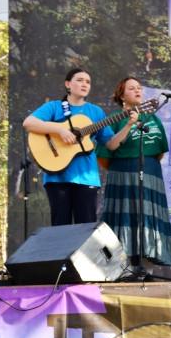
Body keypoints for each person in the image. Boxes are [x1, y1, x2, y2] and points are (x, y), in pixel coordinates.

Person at [97, 77, 171, 267]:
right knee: (125, 218)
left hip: (150, 176)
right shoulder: (114, 119)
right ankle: (123, 267)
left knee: (147, 218)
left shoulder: (152, 118)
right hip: (123, 176)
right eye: (132, 88)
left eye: (139, 88)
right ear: (122, 96)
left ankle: (146, 268)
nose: (138, 91)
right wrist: (129, 125)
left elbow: (159, 152)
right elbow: (108, 150)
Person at [23, 67, 115, 226]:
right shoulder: (54, 106)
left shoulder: (96, 111)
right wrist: (60, 130)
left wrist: (129, 125)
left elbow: (111, 144)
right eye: (80, 80)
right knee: (60, 228)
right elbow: (29, 123)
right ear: (68, 84)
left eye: (88, 82)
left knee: (85, 228)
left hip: (87, 177)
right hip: (57, 177)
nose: (85, 84)